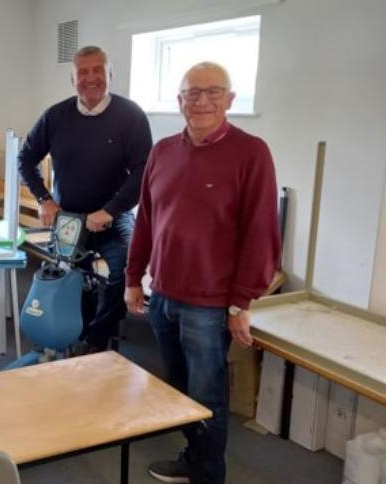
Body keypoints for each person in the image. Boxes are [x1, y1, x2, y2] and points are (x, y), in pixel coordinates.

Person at [124, 62, 281, 484]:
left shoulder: (252, 153)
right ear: (179, 101)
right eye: (193, 93)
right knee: (178, 392)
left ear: (230, 100)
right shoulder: (162, 152)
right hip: (164, 298)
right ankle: (193, 459)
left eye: (214, 92)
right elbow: (146, 222)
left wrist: (239, 303)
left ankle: (209, 475)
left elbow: (261, 234)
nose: (203, 101)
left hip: (210, 306)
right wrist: (132, 278)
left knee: (208, 395)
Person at [18, 45, 153, 351]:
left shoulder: (131, 116)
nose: (90, 78)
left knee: (126, 274)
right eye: (82, 72)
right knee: (69, 280)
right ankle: (73, 335)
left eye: (97, 70)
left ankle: (95, 342)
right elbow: (25, 160)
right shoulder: (55, 116)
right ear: (72, 78)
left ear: (110, 74)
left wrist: (110, 210)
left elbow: (143, 171)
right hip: (70, 219)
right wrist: (44, 199)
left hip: (114, 218)